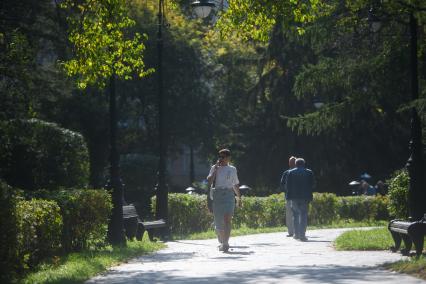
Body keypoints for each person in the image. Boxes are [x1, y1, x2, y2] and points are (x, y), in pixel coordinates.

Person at [207, 148, 241, 252]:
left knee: (227, 219)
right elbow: (209, 181)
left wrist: (239, 197)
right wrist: (216, 169)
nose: (221, 159)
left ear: (228, 157)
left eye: (223, 156)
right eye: (220, 156)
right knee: (218, 223)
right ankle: (222, 241)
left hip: (229, 195)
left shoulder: (232, 169)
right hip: (217, 195)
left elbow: (235, 184)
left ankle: (225, 243)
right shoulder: (214, 167)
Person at [286, 158, 314, 242]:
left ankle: (296, 234)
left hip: (294, 197)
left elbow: (288, 186)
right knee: (304, 215)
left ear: (296, 164)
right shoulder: (309, 172)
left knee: (295, 215)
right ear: (304, 164)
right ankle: (302, 235)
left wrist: (289, 196)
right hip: (305, 197)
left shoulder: (290, 172)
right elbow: (313, 184)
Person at [279, 156, 296, 237]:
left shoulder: (287, 172)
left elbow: (282, 185)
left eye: (292, 162)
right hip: (292, 196)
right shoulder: (286, 172)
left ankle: (294, 231)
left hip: (290, 196)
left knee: (292, 214)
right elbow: (282, 184)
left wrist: (286, 189)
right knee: (293, 214)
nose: (291, 163)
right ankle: (293, 231)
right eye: (291, 162)